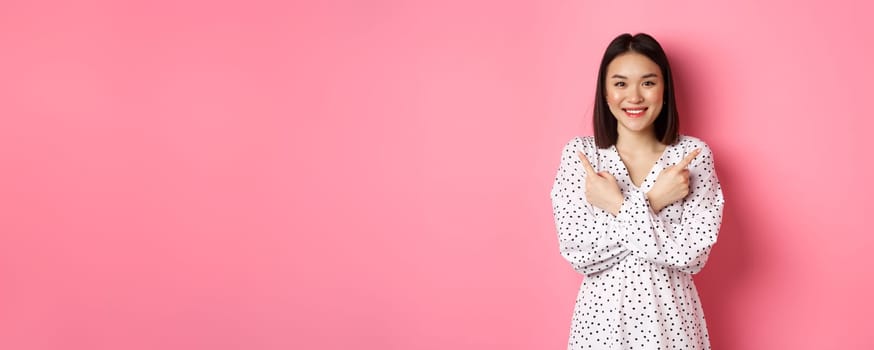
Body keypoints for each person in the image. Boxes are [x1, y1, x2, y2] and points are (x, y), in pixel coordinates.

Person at [550, 33, 725, 349]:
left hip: (673, 326)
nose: (634, 96)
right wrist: (654, 201)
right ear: (605, 92)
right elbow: (581, 253)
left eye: (647, 83)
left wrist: (616, 205)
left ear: (665, 90)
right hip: (599, 328)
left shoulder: (692, 156)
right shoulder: (582, 157)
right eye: (620, 84)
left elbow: (692, 255)